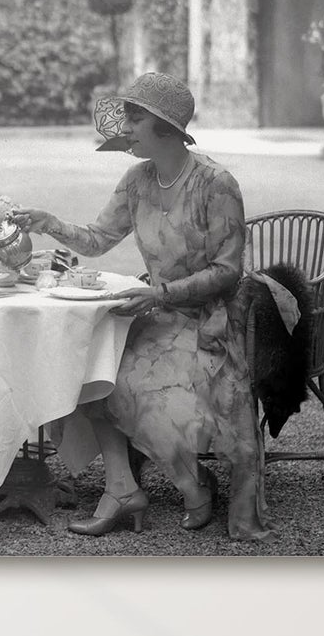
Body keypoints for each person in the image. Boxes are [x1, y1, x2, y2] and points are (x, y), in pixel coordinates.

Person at [17, 72, 270, 542]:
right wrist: (48, 222)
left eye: (133, 121)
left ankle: (191, 489)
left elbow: (229, 271)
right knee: (93, 371)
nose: (124, 131)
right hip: (157, 314)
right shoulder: (136, 179)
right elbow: (97, 239)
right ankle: (125, 488)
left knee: (130, 385)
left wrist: (161, 294)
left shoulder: (216, 185)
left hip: (210, 323)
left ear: (163, 127)